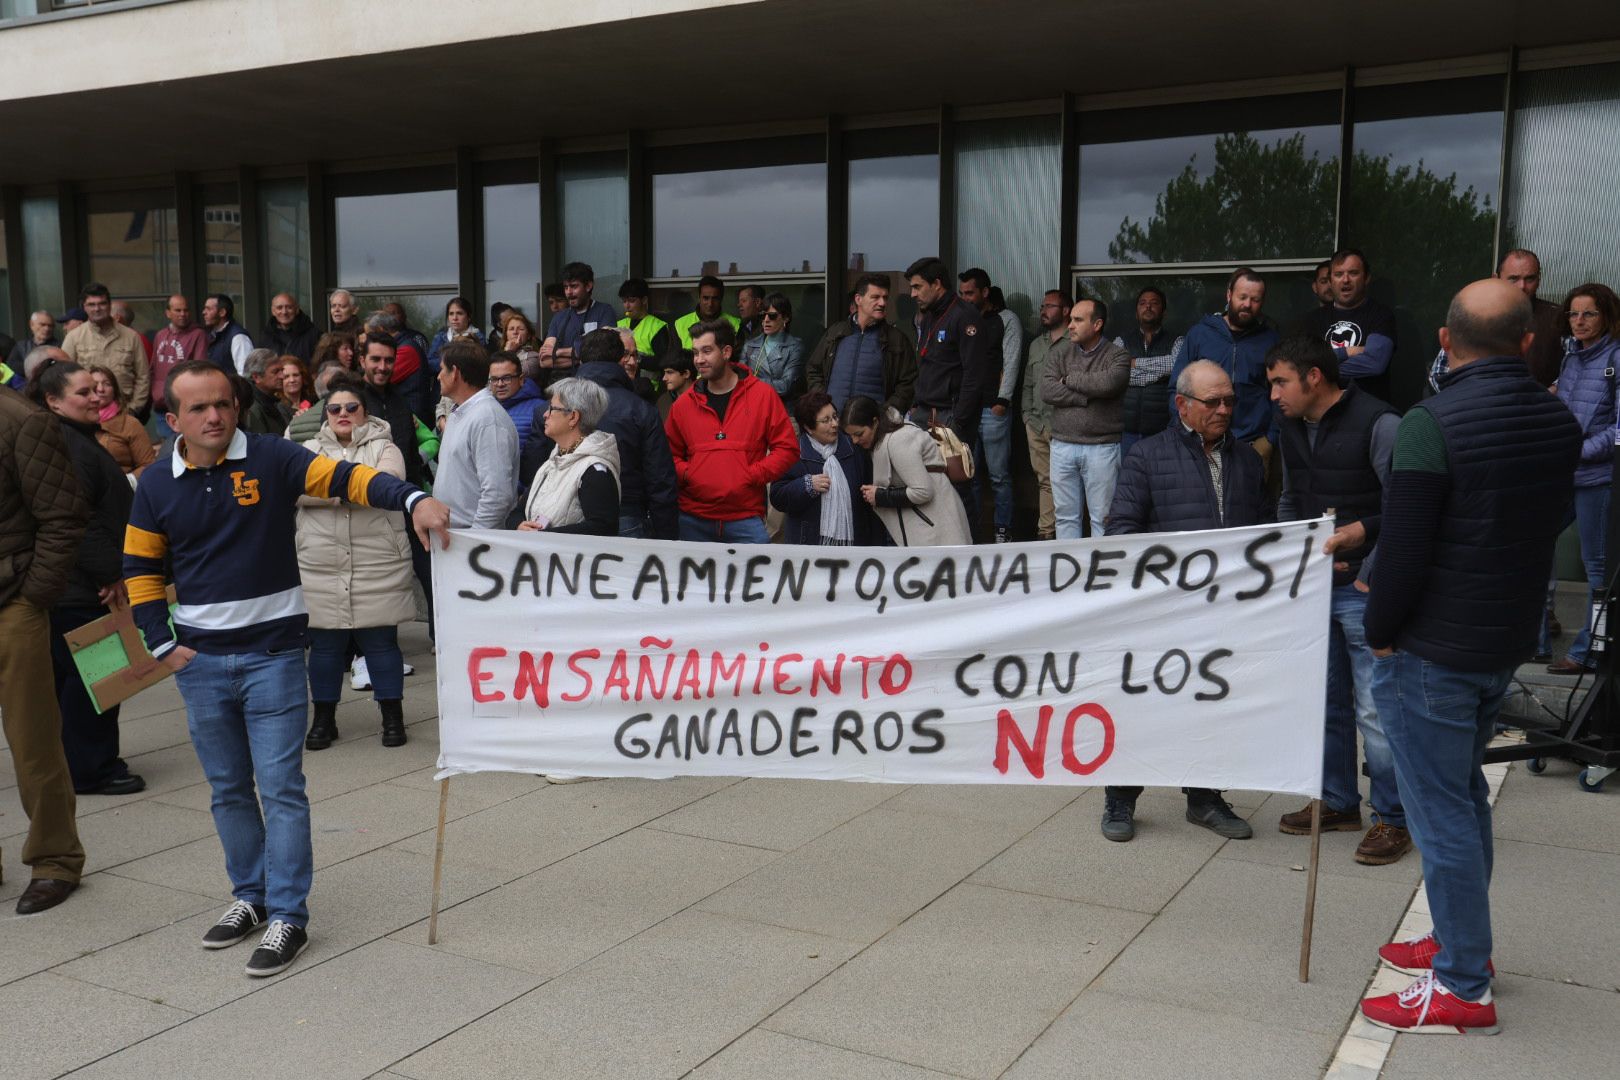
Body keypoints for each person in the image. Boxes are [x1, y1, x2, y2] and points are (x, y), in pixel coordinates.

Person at [122, 358, 450, 977]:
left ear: (236, 406)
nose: (214, 415)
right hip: (200, 664)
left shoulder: (274, 457)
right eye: (198, 408)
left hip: (273, 657)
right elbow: (140, 568)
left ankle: (288, 917)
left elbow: (348, 479)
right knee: (227, 790)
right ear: (173, 419)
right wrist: (161, 645)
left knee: (280, 789)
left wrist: (413, 497)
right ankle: (250, 897)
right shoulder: (156, 483)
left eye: (222, 403)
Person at [1357, 280, 1581, 1035]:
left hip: (1432, 649)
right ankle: (1462, 947)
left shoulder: (1430, 422)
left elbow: (1406, 546)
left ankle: (1461, 986)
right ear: (1526, 342)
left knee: (1442, 812)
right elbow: (1551, 522)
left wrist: (1381, 629)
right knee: (1463, 798)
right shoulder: (1559, 419)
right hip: (1500, 641)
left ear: (1446, 343)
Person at [1100, 360, 1268, 841]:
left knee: (1213, 704)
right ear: (1182, 405)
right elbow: (1122, 533)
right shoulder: (1147, 457)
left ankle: (1205, 798)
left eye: (1229, 401)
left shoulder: (1248, 460)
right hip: (1166, 612)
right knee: (1145, 707)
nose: (1223, 410)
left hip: (1227, 612)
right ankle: (1120, 798)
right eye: (1212, 402)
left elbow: (1264, 532)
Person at [1267, 336, 1409, 866]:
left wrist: (1367, 554)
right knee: (1324, 701)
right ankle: (1339, 802)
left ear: (1315, 378)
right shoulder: (1287, 426)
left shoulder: (1382, 424)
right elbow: (1291, 497)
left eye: (1281, 381)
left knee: (1376, 710)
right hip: (1312, 588)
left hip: (1362, 589)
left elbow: (1407, 506)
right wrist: (1285, 562)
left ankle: (1393, 818)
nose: (1273, 393)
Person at [26, 361, 144, 797]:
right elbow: (77, 520)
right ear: (53, 401)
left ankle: (81, 761)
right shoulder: (67, 444)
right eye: (84, 393)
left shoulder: (72, 438)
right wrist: (112, 573)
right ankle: (92, 769)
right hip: (83, 587)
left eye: (97, 390)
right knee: (93, 680)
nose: (97, 397)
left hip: (75, 583)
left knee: (77, 681)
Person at [0, 371, 89, 915]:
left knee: (33, 742)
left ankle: (55, 859)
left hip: (14, 602)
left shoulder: (22, 420)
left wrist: (34, 596)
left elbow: (63, 516)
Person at [295, 374, 418, 751]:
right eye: (335, 409)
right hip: (321, 563)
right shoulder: (307, 448)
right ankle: (324, 719)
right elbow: (296, 488)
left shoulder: (386, 446)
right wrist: (353, 492)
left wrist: (328, 491)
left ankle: (393, 717)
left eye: (352, 407)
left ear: (364, 413)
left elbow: (390, 483)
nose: (343, 414)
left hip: (376, 562)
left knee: (381, 643)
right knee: (326, 647)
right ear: (325, 414)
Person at [664, 319, 796, 543]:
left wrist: (751, 475)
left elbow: (787, 449)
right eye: (695, 353)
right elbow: (668, 455)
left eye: (706, 351)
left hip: (745, 517)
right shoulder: (682, 404)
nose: (699, 360)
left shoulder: (762, 395)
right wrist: (690, 473)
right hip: (692, 519)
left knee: (759, 578)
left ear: (726, 352)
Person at [1545, 283, 1620, 674]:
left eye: (1589, 313)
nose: (1579, 321)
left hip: (1599, 478)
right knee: (1534, 542)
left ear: (1606, 315)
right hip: (1565, 474)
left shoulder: (1616, 358)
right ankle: (1538, 639)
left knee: (1597, 569)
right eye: (1574, 313)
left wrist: (1579, 451)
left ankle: (1588, 650)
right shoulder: (1571, 357)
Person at [562, 328, 679, 539]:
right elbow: (660, 481)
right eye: (626, 354)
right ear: (613, 358)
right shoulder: (641, 411)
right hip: (622, 518)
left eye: (636, 355)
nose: (632, 362)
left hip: (569, 521)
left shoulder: (552, 407)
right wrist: (667, 540)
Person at [1168, 267, 1279, 472]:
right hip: (1201, 443)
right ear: (1229, 295)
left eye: (1255, 299)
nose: (1247, 304)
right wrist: (1187, 432)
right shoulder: (1200, 334)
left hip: (1252, 444)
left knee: (1249, 504)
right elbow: (1177, 388)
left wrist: (1270, 439)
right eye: (1242, 296)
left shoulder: (1270, 340)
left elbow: (1280, 394)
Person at [1041, 298, 1131, 539]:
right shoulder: (1060, 352)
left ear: (1097, 324)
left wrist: (1069, 380)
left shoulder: (1118, 356)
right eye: (1070, 319)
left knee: (1103, 518)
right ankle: (1070, 572)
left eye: (1078, 320)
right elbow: (1047, 390)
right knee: (1065, 517)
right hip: (1062, 445)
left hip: (1101, 447)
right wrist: (1087, 396)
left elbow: (1108, 384)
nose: (1070, 325)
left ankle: (1101, 573)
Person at [843, 395, 971, 547]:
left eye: (859, 434)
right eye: (850, 436)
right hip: (933, 523)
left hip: (938, 526)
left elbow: (923, 491)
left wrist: (880, 495)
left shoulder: (898, 441)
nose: (855, 441)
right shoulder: (889, 435)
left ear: (875, 422)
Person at [519, 377, 621, 536]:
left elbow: (603, 528)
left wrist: (543, 536)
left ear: (573, 417)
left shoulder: (595, 470)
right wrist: (519, 527)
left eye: (552, 408)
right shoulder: (551, 463)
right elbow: (518, 511)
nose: (545, 414)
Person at [806, 273, 918, 417]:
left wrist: (887, 414)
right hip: (834, 426)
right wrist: (823, 403)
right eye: (875, 297)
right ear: (858, 299)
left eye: (885, 297)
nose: (882, 303)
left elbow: (908, 383)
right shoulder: (836, 333)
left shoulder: (896, 339)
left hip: (874, 429)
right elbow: (813, 369)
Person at [436, 339, 520, 529]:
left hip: (473, 546)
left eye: (442, 369)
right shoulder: (461, 413)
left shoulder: (488, 419)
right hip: (455, 540)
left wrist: (475, 541)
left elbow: (497, 495)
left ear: (455, 373)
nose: (438, 376)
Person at [771, 390, 872, 546]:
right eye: (826, 420)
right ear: (809, 428)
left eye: (835, 416)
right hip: (808, 547)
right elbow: (777, 496)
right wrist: (806, 485)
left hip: (853, 547)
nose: (835, 424)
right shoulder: (792, 453)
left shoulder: (853, 448)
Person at [1300, 249, 1399, 404]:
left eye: (1353, 273)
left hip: (1368, 414)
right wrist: (1349, 351)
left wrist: (1322, 369)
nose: (1345, 280)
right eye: (1338, 274)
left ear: (1366, 278)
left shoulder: (1380, 314)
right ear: (1331, 281)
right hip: (1324, 413)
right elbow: (1303, 364)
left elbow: (1375, 363)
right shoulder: (1313, 319)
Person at [957, 269, 1010, 542]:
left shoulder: (1004, 320)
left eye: (970, 293)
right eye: (962, 293)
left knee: (999, 477)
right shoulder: (962, 319)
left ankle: (1003, 532)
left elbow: (1011, 362)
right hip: (967, 410)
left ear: (985, 292)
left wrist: (1003, 400)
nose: (965, 298)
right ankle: (973, 534)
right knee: (970, 476)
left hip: (993, 408)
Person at [1022, 291, 1070, 540]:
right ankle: (1046, 534)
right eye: (1042, 306)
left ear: (1066, 311)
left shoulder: (1076, 342)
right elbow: (1029, 382)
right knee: (1045, 481)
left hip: (1065, 425)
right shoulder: (1036, 344)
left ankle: (1068, 536)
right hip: (1037, 424)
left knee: (1067, 482)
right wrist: (1026, 416)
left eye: (1050, 306)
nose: (1043, 310)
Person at [62, 282, 151, 415]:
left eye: (102, 303)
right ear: (84, 308)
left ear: (109, 305)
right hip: (87, 413)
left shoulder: (131, 337)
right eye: (91, 304)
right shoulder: (73, 338)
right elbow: (64, 378)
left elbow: (143, 377)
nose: (97, 309)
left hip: (124, 412)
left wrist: (133, 408)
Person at [1116, 285, 1183, 456]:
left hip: (1163, 430)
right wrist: (1160, 375)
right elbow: (1117, 373)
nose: (1148, 306)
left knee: (1161, 482)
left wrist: (1135, 363)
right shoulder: (1121, 340)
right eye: (1143, 303)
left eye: (1154, 303)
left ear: (1164, 312)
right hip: (1127, 432)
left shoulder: (1177, 340)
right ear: (1136, 312)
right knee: (1129, 481)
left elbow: (1176, 367)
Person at [540, 261, 617, 377]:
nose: (569, 292)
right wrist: (581, 358)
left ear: (588, 286)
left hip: (594, 384)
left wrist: (558, 352)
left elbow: (604, 351)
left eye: (574, 286)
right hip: (563, 388)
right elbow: (544, 360)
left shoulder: (605, 311)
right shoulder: (559, 317)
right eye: (566, 287)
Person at [86, 363, 156, 476]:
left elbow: (149, 464)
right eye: (94, 385)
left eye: (107, 384)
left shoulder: (130, 424)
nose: (100, 389)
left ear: (114, 391)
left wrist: (128, 482)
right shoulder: (78, 422)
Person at [739, 291, 805, 412]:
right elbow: (740, 381)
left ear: (786, 318)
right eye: (762, 315)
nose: (766, 320)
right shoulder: (750, 345)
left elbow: (785, 386)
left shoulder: (795, 346)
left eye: (772, 316)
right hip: (754, 410)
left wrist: (752, 381)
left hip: (783, 412)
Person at [151, 294, 208, 430]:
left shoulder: (197, 334)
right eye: (178, 310)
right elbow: (153, 368)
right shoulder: (160, 335)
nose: (183, 314)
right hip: (160, 406)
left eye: (186, 310)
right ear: (168, 313)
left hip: (183, 405)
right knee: (165, 447)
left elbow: (199, 371)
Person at [487, 351, 545, 461]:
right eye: (494, 379)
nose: (500, 384)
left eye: (506, 378)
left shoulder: (540, 409)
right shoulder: (484, 408)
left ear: (521, 379)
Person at [617, 278, 672, 369]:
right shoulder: (618, 324)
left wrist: (635, 358)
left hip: (649, 382)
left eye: (632, 301)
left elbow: (663, 361)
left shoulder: (657, 326)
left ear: (644, 300)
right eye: (624, 301)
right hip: (622, 380)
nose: (627, 306)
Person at [675, 275, 739, 349]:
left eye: (715, 298)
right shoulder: (680, 324)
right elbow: (675, 358)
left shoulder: (736, 324)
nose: (710, 303)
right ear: (699, 298)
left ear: (721, 299)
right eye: (706, 298)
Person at [428, 296, 485, 376]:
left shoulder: (478, 337)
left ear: (469, 317)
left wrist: (447, 361)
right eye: (451, 314)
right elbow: (430, 364)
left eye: (459, 313)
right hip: (442, 385)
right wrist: (453, 361)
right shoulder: (441, 336)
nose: (454, 318)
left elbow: (476, 365)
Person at [241, 349, 293, 435]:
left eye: (282, 370)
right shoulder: (252, 408)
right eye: (275, 372)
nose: (282, 376)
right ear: (256, 377)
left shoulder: (272, 402)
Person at [203, 293, 255, 375]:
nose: (204, 312)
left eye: (209, 309)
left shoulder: (238, 337)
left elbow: (245, 374)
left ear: (222, 312)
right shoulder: (212, 334)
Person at [259, 293, 319, 364]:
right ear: (273, 311)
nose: (284, 312)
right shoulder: (266, 336)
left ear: (297, 309)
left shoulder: (314, 335)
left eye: (289, 307)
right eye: (279, 308)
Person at [657, 349, 696, 420]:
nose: (664, 378)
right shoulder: (663, 401)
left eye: (670, 372)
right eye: (664, 373)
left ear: (686, 374)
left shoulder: (705, 399)